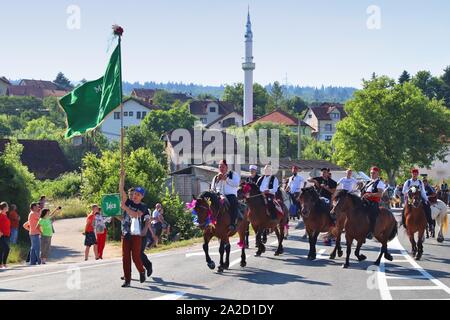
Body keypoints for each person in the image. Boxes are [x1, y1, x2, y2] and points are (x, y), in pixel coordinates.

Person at [118, 170, 147, 288]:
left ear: (142, 196)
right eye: (134, 194)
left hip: (136, 234)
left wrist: (125, 208)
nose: (135, 196)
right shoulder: (128, 201)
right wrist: (122, 178)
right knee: (125, 257)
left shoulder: (143, 206)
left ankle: (141, 271)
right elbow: (121, 191)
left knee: (135, 257)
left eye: (138, 195)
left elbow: (136, 215)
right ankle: (127, 280)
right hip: (126, 233)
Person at [211, 159, 241, 232]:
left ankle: (233, 223)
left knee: (233, 203)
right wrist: (218, 180)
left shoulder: (233, 174)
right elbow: (212, 188)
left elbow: (236, 184)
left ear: (227, 167)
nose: (221, 168)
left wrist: (226, 179)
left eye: (223, 166)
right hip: (218, 195)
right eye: (220, 167)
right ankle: (208, 222)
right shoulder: (216, 177)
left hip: (230, 195)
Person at [402, 169, 434, 233]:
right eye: (413, 173)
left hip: (418, 198)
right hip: (410, 198)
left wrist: (426, 199)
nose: (415, 175)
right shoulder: (408, 182)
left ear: (417, 174)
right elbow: (403, 191)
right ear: (411, 174)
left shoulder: (420, 182)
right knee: (404, 210)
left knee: (427, 207)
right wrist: (409, 191)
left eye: (416, 174)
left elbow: (423, 192)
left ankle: (430, 223)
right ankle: (404, 224)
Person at [361, 167, 386, 239]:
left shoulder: (379, 183)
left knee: (372, 213)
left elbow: (380, 194)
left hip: (373, 202)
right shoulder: (368, 182)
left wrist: (370, 195)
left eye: (374, 173)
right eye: (371, 173)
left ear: (377, 174)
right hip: (364, 200)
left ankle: (370, 231)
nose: (372, 174)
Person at [0, 202, 11, 269]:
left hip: (6, 235)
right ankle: (4, 263)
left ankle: (1, 264)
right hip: (2, 235)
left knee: (1, 250)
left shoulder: (5, 215)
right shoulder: (0, 214)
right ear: (4, 207)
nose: (8, 208)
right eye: (7, 206)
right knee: (7, 248)